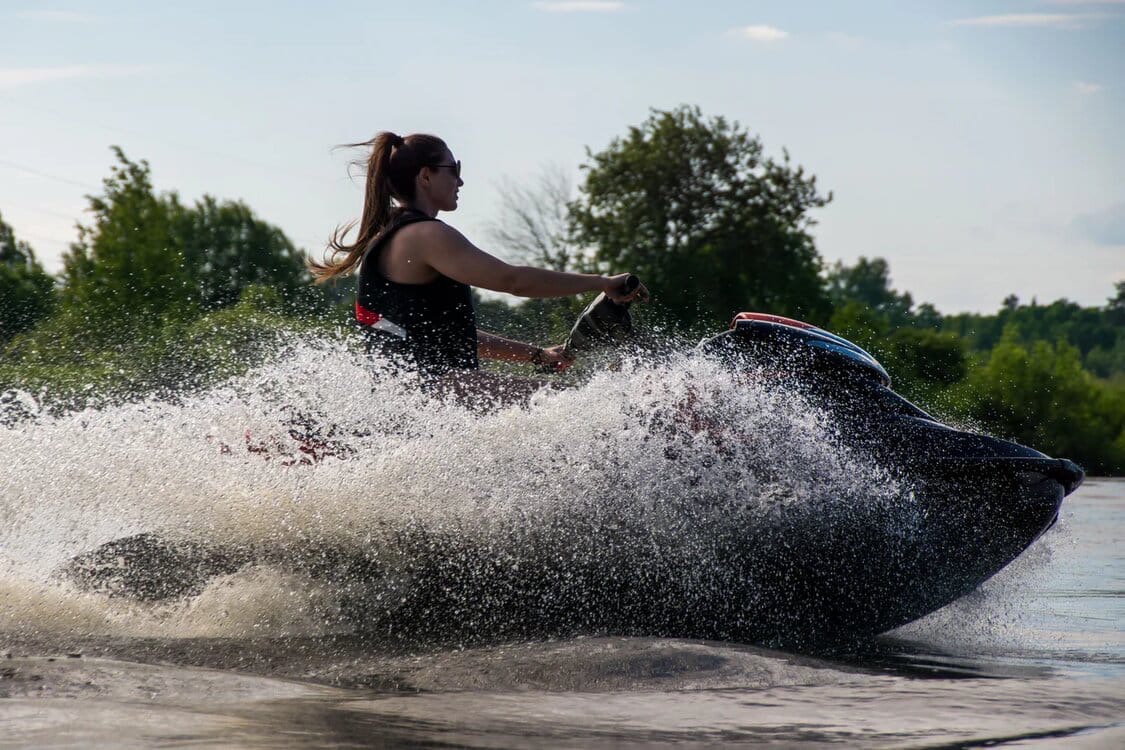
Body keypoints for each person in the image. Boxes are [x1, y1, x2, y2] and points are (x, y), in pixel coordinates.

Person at [309, 131, 648, 405]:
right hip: (443, 392)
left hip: (414, 398)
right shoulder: (425, 235)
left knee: (575, 406)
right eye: (453, 169)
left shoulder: (394, 234)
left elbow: (451, 337)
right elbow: (513, 280)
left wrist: (538, 356)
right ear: (425, 176)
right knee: (581, 407)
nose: (460, 180)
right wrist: (601, 282)